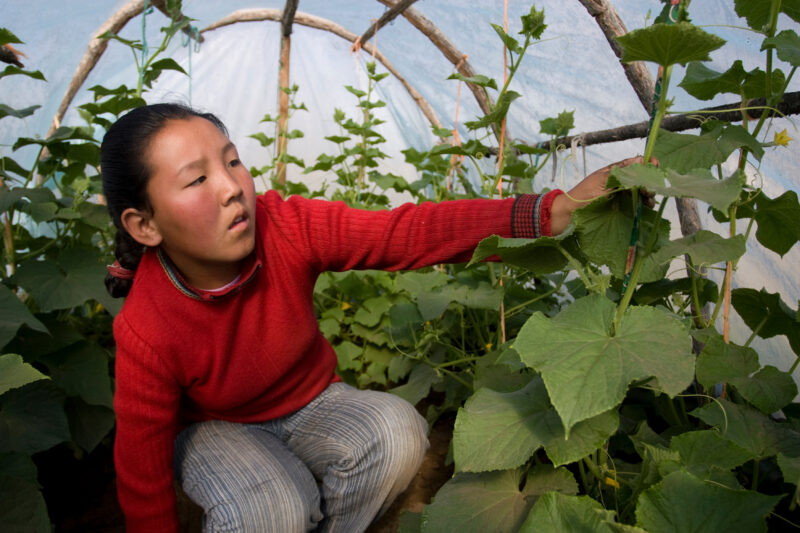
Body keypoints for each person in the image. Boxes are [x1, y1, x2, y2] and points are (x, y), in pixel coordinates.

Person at [101, 102, 643, 533]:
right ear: (144, 225)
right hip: (215, 431)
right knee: (270, 511)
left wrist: (548, 212)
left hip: (310, 403)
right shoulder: (146, 328)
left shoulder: (285, 227)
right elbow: (141, 473)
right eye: (196, 180)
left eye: (232, 160)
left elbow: (406, 232)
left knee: (398, 431)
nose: (230, 187)